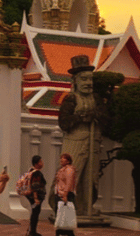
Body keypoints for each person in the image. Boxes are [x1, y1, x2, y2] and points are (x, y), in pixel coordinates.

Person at [51, 55, 108, 216]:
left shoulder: (96, 99)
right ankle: (64, 205)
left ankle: (86, 207)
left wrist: (95, 115)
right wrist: (82, 117)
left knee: (91, 177)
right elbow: (64, 122)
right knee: (71, 175)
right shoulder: (71, 99)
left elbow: (106, 118)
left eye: (90, 79)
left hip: (93, 140)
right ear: (75, 81)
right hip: (75, 141)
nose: (88, 83)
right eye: (84, 79)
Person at [54, 153, 77, 236]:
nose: (61, 160)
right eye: (61, 158)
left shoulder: (69, 169)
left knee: (65, 216)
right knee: (60, 215)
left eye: (63, 158)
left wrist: (65, 194)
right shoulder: (62, 169)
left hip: (65, 194)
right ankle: (61, 232)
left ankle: (66, 233)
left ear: (68, 161)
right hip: (59, 194)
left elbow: (69, 183)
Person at [25, 155, 47, 236]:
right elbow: (35, 185)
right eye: (40, 161)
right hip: (36, 196)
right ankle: (32, 232)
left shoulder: (31, 170)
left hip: (31, 196)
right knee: (35, 213)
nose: (42, 163)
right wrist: (36, 198)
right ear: (36, 163)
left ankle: (32, 230)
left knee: (35, 212)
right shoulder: (37, 173)